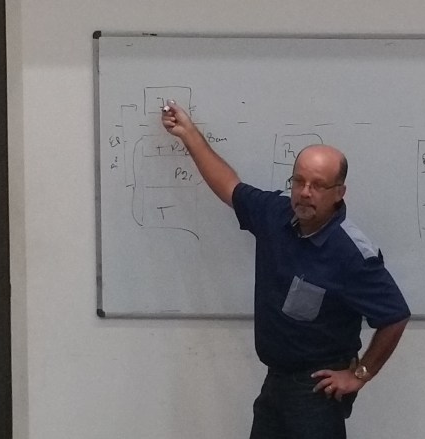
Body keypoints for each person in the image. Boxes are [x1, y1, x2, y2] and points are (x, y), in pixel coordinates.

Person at [161, 101, 411, 439]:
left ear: (339, 193)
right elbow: (229, 186)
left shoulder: (351, 253)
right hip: (276, 381)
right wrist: (188, 134)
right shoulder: (275, 215)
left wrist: (360, 374)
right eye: (299, 181)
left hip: (316, 392)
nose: (305, 193)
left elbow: (395, 316)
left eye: (318, 185)